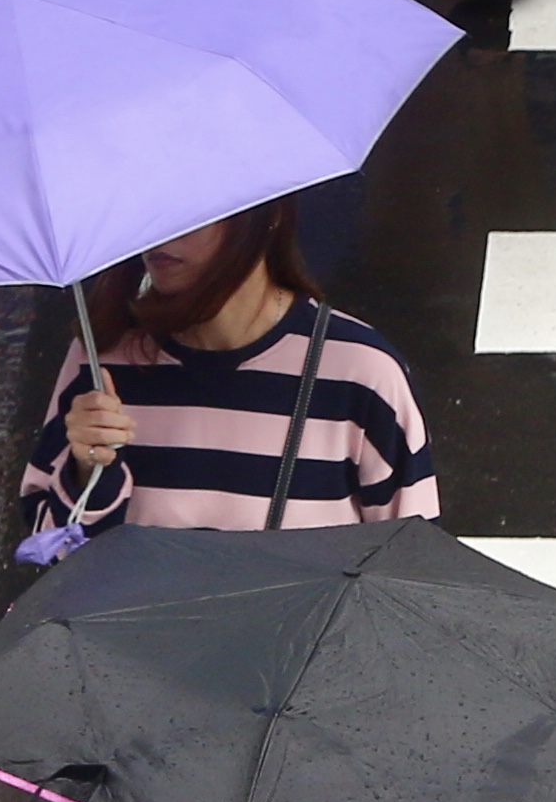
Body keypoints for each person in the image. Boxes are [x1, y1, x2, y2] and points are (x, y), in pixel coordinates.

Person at [24, 203, 441, 548]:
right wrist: (89, 472)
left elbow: (411, 570)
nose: (159, 231)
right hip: (133, 644)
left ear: (266, 212)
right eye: (148, 204)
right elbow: (54, 553)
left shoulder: (359, 371)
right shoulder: (101, 360)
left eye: (191, 206)